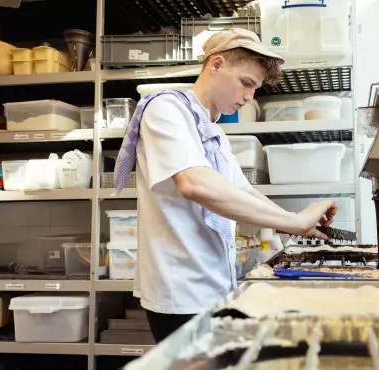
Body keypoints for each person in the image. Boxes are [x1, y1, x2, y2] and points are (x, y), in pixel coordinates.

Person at [112, 28, 338, 343]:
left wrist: (299, 224)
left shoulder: (213, 132)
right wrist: (294, 222)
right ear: (216, 65)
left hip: (213, 284)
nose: (249, 96)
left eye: (255, 88)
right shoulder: (166, 110)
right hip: (181, 290)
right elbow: (194, 184)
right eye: (246, 83)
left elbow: (243, 190)